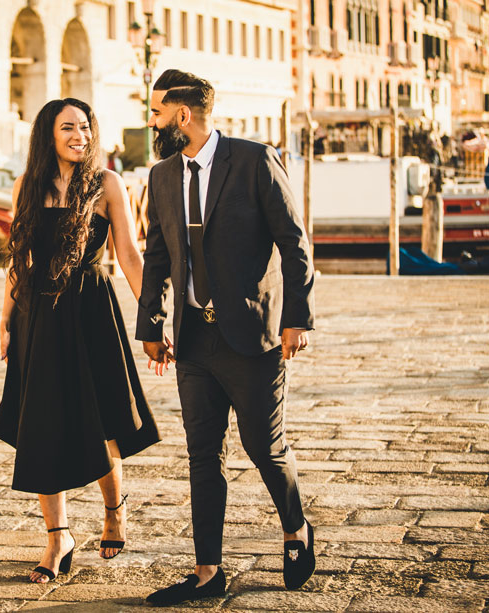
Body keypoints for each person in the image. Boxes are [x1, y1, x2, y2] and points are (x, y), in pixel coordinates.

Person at [136, 69, 316, 606]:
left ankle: (296, 529)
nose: (152, 121)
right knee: (201, 457)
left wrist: (296, 318)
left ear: (182, 115)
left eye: (156, 112)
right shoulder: (162, 175)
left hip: (253, 339)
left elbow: (294, 243)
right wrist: (152, 324)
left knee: (264, 448)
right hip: (193, 342)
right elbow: (158, 257)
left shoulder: (256, 160)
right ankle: (207, 572)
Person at [0, 98, 160, 584]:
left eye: (85, 127)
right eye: (68, 127)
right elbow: (18, 257)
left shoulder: (107, 184)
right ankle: (58, 535)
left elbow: (128, 253)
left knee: (103, 422)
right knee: (42, 425)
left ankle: (113, 511)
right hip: (37, 315)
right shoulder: (27, 186)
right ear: (48, 134)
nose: (79, 135)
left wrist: (152, 314)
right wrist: (5, 318)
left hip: (91, 311)